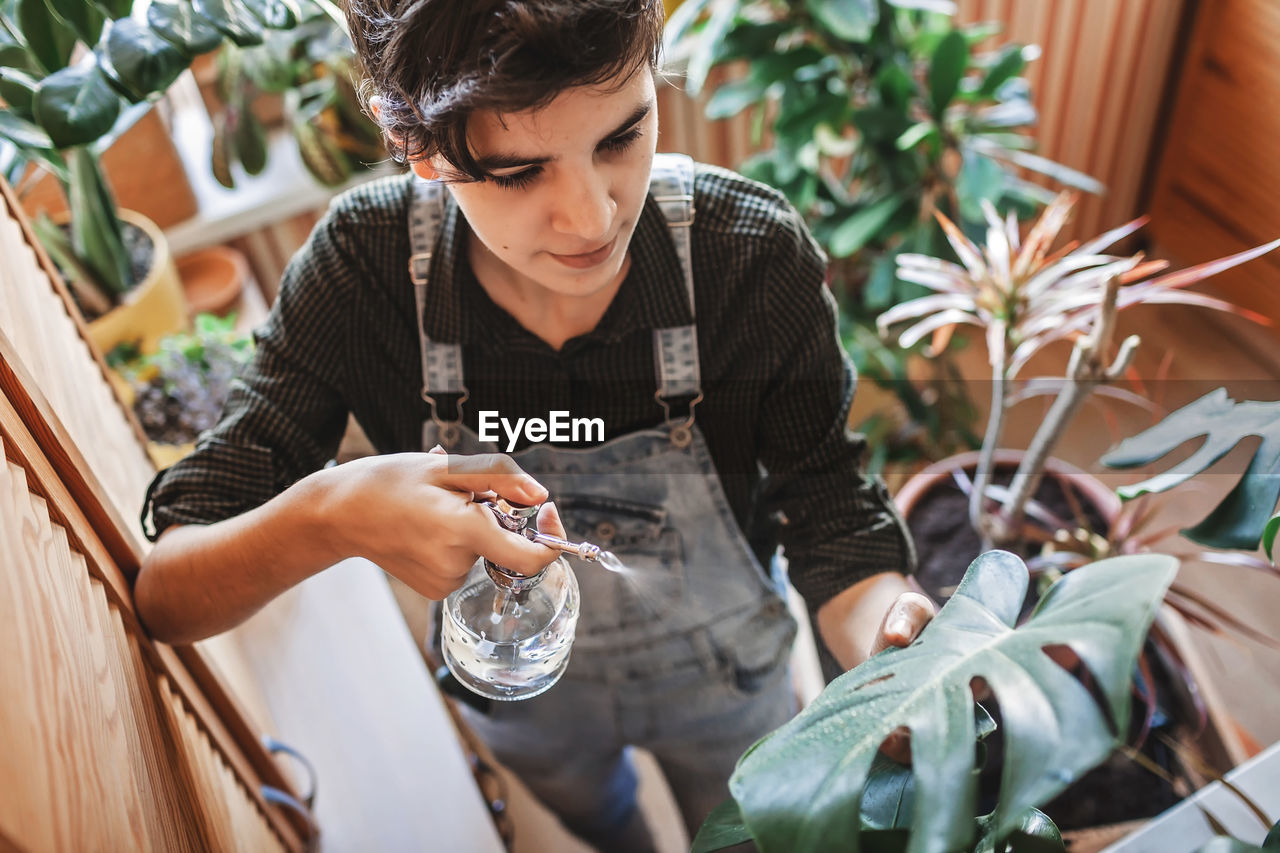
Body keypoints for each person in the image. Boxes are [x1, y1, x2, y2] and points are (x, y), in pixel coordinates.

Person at [135, 1, 933, 849]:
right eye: (519, 173)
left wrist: (898, 638)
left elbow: (836, 522)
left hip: (726, 684)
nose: (592, 220)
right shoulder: (358, 277)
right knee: (602, 821)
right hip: (523, 701)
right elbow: (167, 592)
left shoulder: (748, 254)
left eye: (622, 136)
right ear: (419, 149)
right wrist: (336, 513)